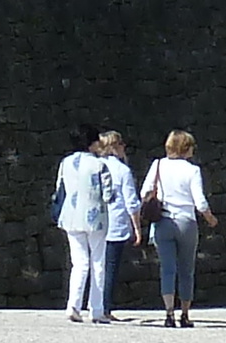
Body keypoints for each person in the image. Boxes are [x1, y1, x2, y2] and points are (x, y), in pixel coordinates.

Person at [141, 130, 216, 325]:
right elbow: (200, 202)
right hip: (186, 222)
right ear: (186, 148)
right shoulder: (192, 170)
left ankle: (168, 313)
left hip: (163, 222)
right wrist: (210, 218)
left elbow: (144, 192)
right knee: (186, 269)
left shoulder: (157, 165)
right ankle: (184, 314)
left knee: (167, 269)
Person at [50, 129, 113, 323]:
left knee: (79, 263)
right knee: (97, 263)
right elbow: (108, 196)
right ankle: (97, 309)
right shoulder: (100, 164)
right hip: (96, 219)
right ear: (92, 144)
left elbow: (59, 189)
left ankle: (73, 305)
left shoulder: (65, 163)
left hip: (70, 216)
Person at [93, 130, 140, 320]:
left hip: (95, 222)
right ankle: (105, 307)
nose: (124, 147)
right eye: (120, 144)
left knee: (94, 264)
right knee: (110, 267)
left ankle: (91, 303)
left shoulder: (94, 166)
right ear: (113, 147)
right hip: (115, 224)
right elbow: (131, 202)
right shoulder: (122, 170)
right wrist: (137, 227)